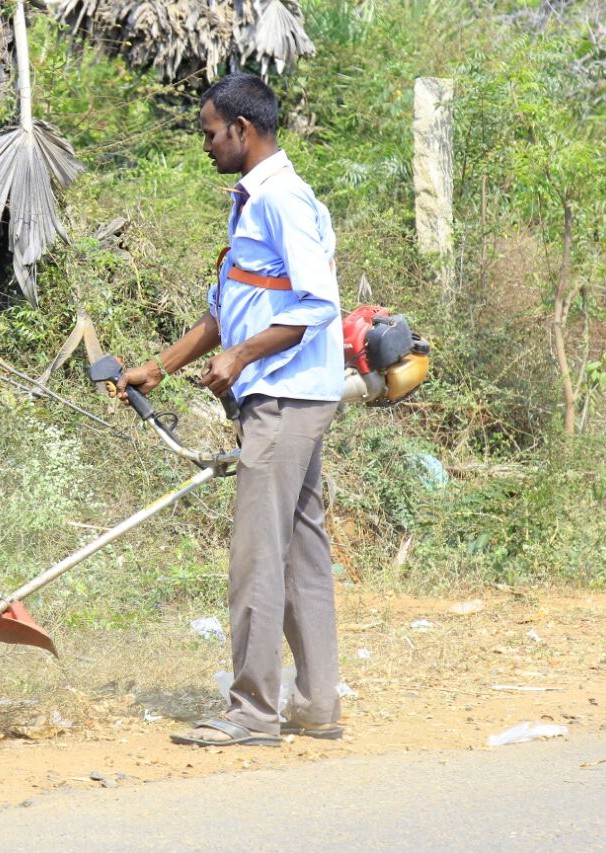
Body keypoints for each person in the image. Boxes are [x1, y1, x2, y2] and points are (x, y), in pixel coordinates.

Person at [116, 72, 345, 747]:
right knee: (301, 547)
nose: (206, 144)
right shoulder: (251, 202)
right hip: (290, 392)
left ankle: (252, 711)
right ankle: (316, 704)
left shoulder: (284, 202)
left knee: (257, 552)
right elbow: (226, 311)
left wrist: (242, 359)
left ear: (243, 131)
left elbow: (315, 304)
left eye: (210, 133)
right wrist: (158, 367)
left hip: (284, 396)